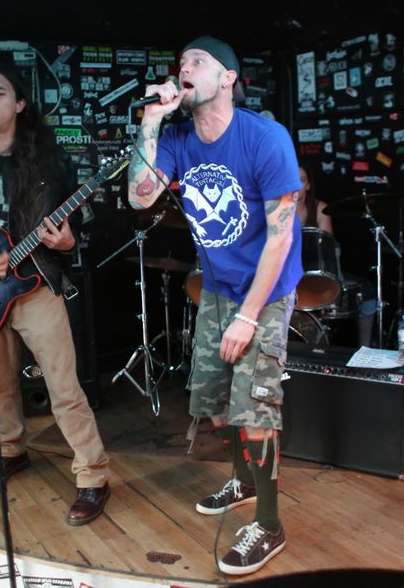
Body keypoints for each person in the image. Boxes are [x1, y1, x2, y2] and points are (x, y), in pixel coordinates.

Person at [128, 36, 302, 575]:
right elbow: (140, 196)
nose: (184, 68)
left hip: (266, 291)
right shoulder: (177, 138)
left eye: (197, 62)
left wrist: (249, 316)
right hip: (219, 287)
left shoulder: (264, 137)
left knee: (256, 408)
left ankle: (269, 525)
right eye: (180, 62)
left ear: (228, 78)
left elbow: (281, 237)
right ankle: (243, 482)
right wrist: (150, 121)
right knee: (216, 397)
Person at [0, 63, 111, 526]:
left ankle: (93, 476)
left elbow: (80, 220)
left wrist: (69, 241)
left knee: (63, 386)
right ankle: (11, 450)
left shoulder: (48, 159)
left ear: (19, 103)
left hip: (36, 285)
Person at [297, 163, 377, 347]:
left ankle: (365, 347)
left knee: (366, 290)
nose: (296, 185)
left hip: (317, 274)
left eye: (301, 180)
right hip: (289, 276)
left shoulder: (320, 208)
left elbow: (328, 247)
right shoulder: (278, 209)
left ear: (308, 185)